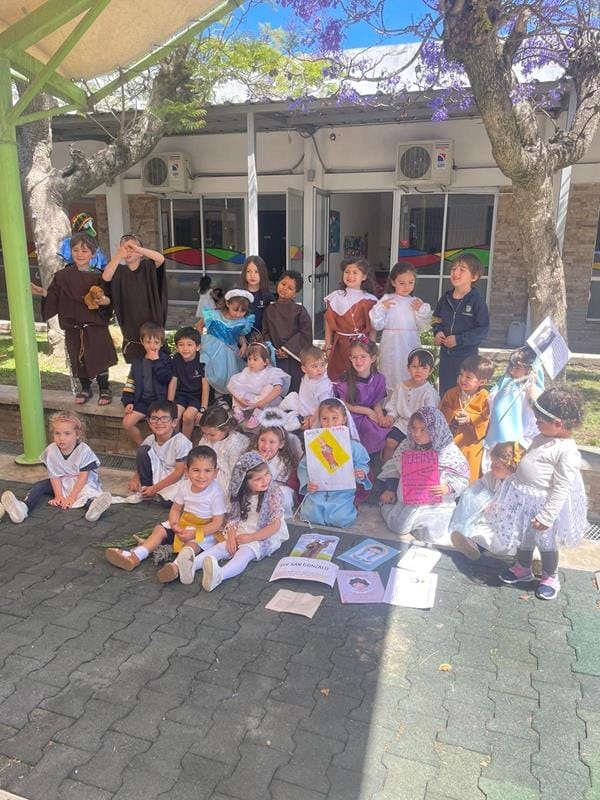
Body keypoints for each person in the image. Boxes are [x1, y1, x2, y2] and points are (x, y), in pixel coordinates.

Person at [493, 387, 588, 601]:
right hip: (524, 499)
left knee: (546, 542)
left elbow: (562, 487)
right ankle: (523, 567)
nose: (536, 423)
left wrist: (547, 516)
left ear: (558, 423)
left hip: (542, 505)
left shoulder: (567, 451)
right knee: (524, 535)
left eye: (540, 421)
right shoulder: (545, 435)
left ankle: (550, 576)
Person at [168, 451, 289, 590]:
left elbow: (275, 525)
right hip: (242, 529)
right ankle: (187, 565)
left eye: (267, 474)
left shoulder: (274, 493)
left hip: (263, 534)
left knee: (245, 553)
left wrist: (252, 537)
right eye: (258, 479)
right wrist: (231, 535)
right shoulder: (240, 494)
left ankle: (220, 575)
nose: (265, 480)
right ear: (244, 481)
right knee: (222, 547)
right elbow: (233, 518)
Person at [105, 446, 226, 574]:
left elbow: (217, 523)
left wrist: (195, 533)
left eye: (207, 471)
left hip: (204, 530)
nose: (201, 476)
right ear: (187, 471)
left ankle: (176, 567)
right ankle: (137, 556)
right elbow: (176, 509)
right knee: (159, 529)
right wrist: (174, 524)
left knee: (192, 546)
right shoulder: (185, 486)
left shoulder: (216, 493)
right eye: (196, 470)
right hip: (185, 523)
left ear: (215, 472)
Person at [38, 232, 117, 405]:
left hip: (95, 326)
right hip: (74, 326)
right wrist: (43, 293)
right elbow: (54, 297)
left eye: (85, 251)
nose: (80, 254)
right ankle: (85, 388)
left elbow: (110, 300)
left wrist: (105, 301)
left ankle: (105, 388)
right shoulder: (62, 276)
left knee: (100, 357)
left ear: (93, 254)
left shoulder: (100, 276)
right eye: (76, 250)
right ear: (71, 251)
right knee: (78, 358)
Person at [0, 410, 111, 523]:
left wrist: (71, 497)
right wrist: (59, 496)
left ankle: (93, 508)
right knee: (39, 486)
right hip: (61, 481)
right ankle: (23, 508)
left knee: (87, 492)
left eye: (67, 433)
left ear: (77, 435)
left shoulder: (84, 450)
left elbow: (83, 477)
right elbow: (54, 476)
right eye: (57, 433)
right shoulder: (51, 450)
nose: (61, 438)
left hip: (80, 482)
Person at [379, 406, 470, 544]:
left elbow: (462, 478)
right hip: (410, 502)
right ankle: (385, 508)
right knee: (399, 526)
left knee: (432, 536)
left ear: (435, 429)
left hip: (437, 505)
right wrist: (390, 489)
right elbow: (394, 467)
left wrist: (448, 488)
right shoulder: (408, 445)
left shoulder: (448, 452)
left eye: (423, 430)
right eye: (414, 428)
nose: (416, 434)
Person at [297, 398, 371, 528]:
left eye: (334, 418)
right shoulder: (315, 444)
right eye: (325, 419)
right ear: (320, 421)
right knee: (310, 515)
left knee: (340, 519)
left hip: (342, 491)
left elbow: (362, 462)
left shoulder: (354, 446)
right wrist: (308, 483)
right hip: (319, 489)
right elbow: (304, 466)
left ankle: (350, 507)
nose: (330, 423)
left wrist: (361, 472)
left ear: (344, 419)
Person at [450, 441, 525, 560]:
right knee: (479, 530)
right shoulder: (492, 476)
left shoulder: (518, 486)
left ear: (511, 469)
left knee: (501, 540)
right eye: (492, 463)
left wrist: (500, 508)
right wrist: (484, 502)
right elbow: (478, 488)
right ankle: (473, 546)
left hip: (509, 524)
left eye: (497, 466)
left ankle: (532, 558)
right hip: (492, 518)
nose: (491, 468)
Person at [103, 233, 167, 363]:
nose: (128, 251)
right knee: (137, 366)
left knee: (157, 364)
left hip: (153, 323)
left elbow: (160, 259)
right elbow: (106, 277)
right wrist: (118, 255)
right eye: (124, 248)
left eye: (131, 248)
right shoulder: (119, 271)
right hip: (130, 325)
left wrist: (136, 248)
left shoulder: (148, 266)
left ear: (140, 252)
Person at [369, 261, 433, 390]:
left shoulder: (416, 302)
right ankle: (390, 399)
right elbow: (377, 324)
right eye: (402, 283)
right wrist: (382, 308)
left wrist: (421, 311)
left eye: (410, 282)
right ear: (393, 282)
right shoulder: (387, 299)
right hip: (391, 344)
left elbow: (424, 326)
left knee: (410, 368)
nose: (406, 287)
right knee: (390, 371)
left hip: (409, 343)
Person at [432, 254, 490, 396]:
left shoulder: (477, 301)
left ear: (474, 277)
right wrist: (437, 332)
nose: (455, 273)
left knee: (464, 394)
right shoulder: (445, 298)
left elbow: (483, 330)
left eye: (462, 269)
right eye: (453, 269)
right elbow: (436, 319)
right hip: (446, 357)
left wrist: (459, 339)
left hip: (467, 358)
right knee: (446, 394)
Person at [125, 400, 192, 505]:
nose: (159, 423)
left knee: (168, 501)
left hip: (174, 478)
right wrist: (135, 478)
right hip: (157, 474)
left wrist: (155, 488)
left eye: (165, 418)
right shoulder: (150, 439)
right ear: (149, 422)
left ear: (174, 422)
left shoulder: (181, 442)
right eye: (154, 418)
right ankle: (145, 490)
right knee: (143, 451)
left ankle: (153, 492)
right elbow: (143, 461)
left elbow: (179, 473)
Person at [440, 354, 494, 482]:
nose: (462, 379)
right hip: (451, 442)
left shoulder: (485, 397)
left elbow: (486, 420)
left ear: (482, 382)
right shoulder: (451, 393)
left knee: (469, 478)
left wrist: (470, 418)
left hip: (470, 445)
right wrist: (453, 414)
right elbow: (441, 413)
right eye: (461, 374)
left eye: (468, 377)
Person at [323, 258, 378, 382]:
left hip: (362, 344)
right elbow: (328, 321)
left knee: (360, 374)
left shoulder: (370, 299)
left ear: (364, 276)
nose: (350, 276)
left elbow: (373, 326)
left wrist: (372, 344)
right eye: (347, 272)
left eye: (355, 272)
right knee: (339, 375)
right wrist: (328, 344)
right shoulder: (336, 296)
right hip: (340, 344)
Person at [334, 338, 390, 455]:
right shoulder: (345, 379)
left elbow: (377, 403)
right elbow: (344, 404)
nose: (358, 361)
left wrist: (380, 417)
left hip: (370, 415)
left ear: (373, 358)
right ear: (350, 358)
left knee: (381, 431)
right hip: (351, 416)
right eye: (354, 357)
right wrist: (368, 411)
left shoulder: (379, 379)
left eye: (363, 356)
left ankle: (371, 461)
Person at [381, 348, 439, 462]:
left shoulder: (429, 392)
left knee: (414, 449)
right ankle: (385, 467)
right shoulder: (401, 386)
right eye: (414, 366)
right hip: (403, 423)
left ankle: (408, 471)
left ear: (430, 371)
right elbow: (393, 405)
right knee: (390, 442)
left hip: (420, 427)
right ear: (408, 368)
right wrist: (390, 416)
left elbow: (431, 414)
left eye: (424, 368)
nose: (419, 371)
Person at [484, 346, 543, 454]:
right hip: (496, 437)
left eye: (517, 367)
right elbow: (492, 401)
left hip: (521, 443)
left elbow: (534, 416)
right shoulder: (506, 384)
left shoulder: (533, 392)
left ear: (530, 369)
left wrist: (531, 386)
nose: (511, 370)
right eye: (511, 365)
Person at [121, 323, 173, 446]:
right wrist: (128, 401)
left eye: (156, 342)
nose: (152, 346)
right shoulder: (138, 361)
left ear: (161, 343)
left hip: (160, 402)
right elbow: (130, 382)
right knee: (127, 423)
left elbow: (166, 379)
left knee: (160, 427)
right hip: (143, 402)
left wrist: (156, 362)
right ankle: (144, 446)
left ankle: (162, 448)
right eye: (148, 342)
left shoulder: (166, 360)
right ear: (142, 342)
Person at [196, 288, 255, 396]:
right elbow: (199, 326)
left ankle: (220, 396)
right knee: (212, 372)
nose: (238, 314)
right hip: (212, 347)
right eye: (235, 310)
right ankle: (207, 395)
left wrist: (244, 344)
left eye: (242, 311)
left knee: (229, 375)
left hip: (230, 351)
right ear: (227, 304)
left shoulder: (243, 321)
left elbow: (239, 334)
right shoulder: (214, 315)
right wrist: (200, 341)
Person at [262, 270, 313, 393]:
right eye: (283, 284)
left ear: (296, 293)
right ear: (278, 283)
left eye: (290, 288)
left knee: (293, 388)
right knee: (274, 388)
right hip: (274, 355)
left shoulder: (300, 310)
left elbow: (305, 333)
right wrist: (272, 348)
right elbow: (265, 331)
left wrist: (287, 350)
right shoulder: (269, 309)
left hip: (293, 357)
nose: (285, 289)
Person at [247, 415, 303, 518]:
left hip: (274, 489)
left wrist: (265, 465)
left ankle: (277, 519)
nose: (266, 446)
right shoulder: (251, 456)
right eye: (262, 440)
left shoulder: (284, 462)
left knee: (284, 493)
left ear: (281, 444)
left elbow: (278, 484)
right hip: (255, 489)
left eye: (272, 442)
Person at [227, 341, 291, 429]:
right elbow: (234, 385)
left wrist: (263, 401)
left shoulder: (272, 372)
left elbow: (278, 389)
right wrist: (240, 398)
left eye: (255, 360)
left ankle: (257, 415)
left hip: (265, 401)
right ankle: (238, 412)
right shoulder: (247, 371)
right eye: (249, 359)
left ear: (266, 362)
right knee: (236, 386)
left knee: (269, 387)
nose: (251, 362)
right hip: (250, 400)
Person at [197, 405, 249, 503]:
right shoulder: (206, 439)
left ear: (225, 429)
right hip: (206, 473)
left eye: (212, 435)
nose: (207, 437)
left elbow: (235, 472)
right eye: (204, 433)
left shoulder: (235, 444)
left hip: (225, 479)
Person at [167, 327, 210, 439]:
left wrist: (203, 408)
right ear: (177, 347)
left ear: (197, 347)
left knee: (188, 416)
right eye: (181, 345)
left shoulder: (202, 360)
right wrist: (169, 403)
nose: (185, 348)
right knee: (174, 416)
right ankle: (175, 442)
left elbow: (205, 384)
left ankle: (185, 444)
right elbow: (173, 381)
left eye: (189, 344)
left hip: (197, 397)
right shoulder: (176, 358)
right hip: (182, 395)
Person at [279, 346, 335, 430]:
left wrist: (312, 420)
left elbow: (324, 405)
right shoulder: (307, 376)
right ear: (304, 369)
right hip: (305, 409)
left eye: (322, 365)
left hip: (318, 415)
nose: (320, 369)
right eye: (314, 366)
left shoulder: (323, 384)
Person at [241, 255, 275, 336]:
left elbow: (271, 323)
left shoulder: (268, 297)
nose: (252, 275)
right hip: (240, 338)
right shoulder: (239, 295)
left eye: (257, 271)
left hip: (262, 338)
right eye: (248, 271)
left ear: (262, 273)